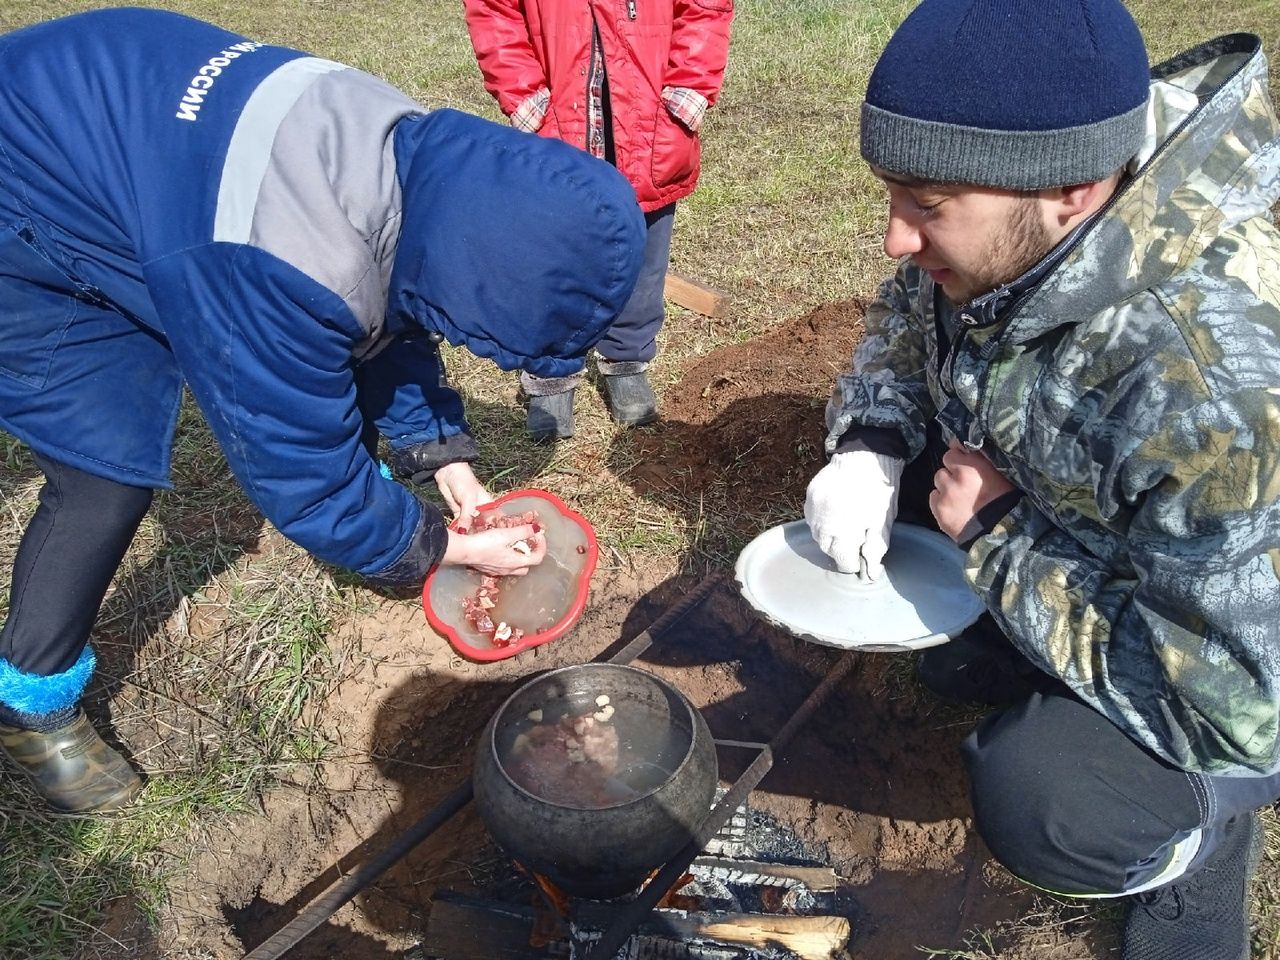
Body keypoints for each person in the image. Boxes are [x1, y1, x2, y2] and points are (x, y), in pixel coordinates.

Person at [0, 7, 645, 814]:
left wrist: (441, 454)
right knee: (101, 464)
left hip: (115, 121)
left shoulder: (421, 161)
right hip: (22, 168)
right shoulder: (268, 261)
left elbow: (396, 289)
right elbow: (301, 476)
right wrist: (436, 547)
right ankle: (32, 704)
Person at [803, 1, 1280, 957]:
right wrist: (871, 440)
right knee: (911, 593)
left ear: (1074, 187)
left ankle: (1204, 842)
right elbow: (909, 311)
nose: (898, 237)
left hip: (1229, 665)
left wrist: (1002, 540)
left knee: (1048, 797)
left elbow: (1238, 707)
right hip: (1054, 519)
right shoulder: (1013, 225)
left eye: (928, 205)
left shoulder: (1209, 392)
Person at [463, 0, 734, 440]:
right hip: (558, 115)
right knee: (551, 252)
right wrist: (525, 96)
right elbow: (494, 11)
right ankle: (550, 370)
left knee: (644, 253)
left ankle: (627, 356)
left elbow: (705, 8)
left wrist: (687, 93)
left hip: (650, 120)